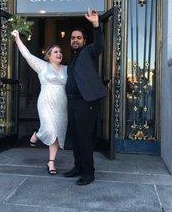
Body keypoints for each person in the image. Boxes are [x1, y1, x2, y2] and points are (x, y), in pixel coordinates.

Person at [12, 30, 67, 175]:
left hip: (62, 103)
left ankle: (51, 162)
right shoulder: (42, 66)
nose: (59, 53)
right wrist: (17, 38)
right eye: (55, 52)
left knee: (57, 132)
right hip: (46, 102)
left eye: (60, 51)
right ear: (49, 56)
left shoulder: (67, 70)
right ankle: (37, 134)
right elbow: (27, 55)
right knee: (49, 129)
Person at [64, 10, 106, 185]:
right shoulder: (72, 58)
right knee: (75, 137)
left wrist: (96, 25)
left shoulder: (89, 51)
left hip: (85, 102)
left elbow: (100, 45)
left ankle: (88, 173)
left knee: (85, 138)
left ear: (84, 40)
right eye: (73, 37)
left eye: (78, 37)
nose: (75, 40)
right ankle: (79, 167)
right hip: (73, 102)